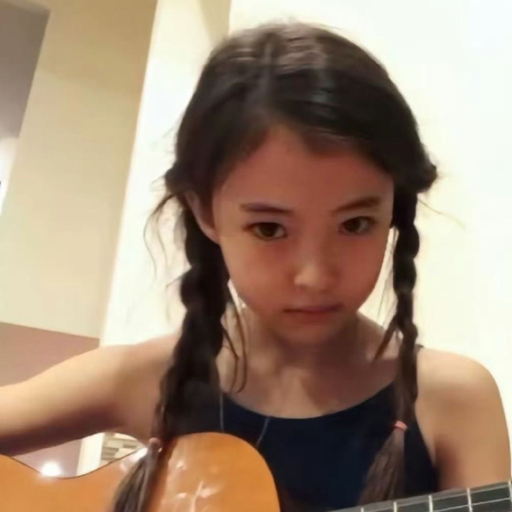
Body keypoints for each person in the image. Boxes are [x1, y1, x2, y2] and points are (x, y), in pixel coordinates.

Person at [0, 22, 509, 512]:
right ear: (205, 212)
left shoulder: (452, 400)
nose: (314, 275)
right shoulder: (142, 378)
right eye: (269, 229)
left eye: (355, 224)